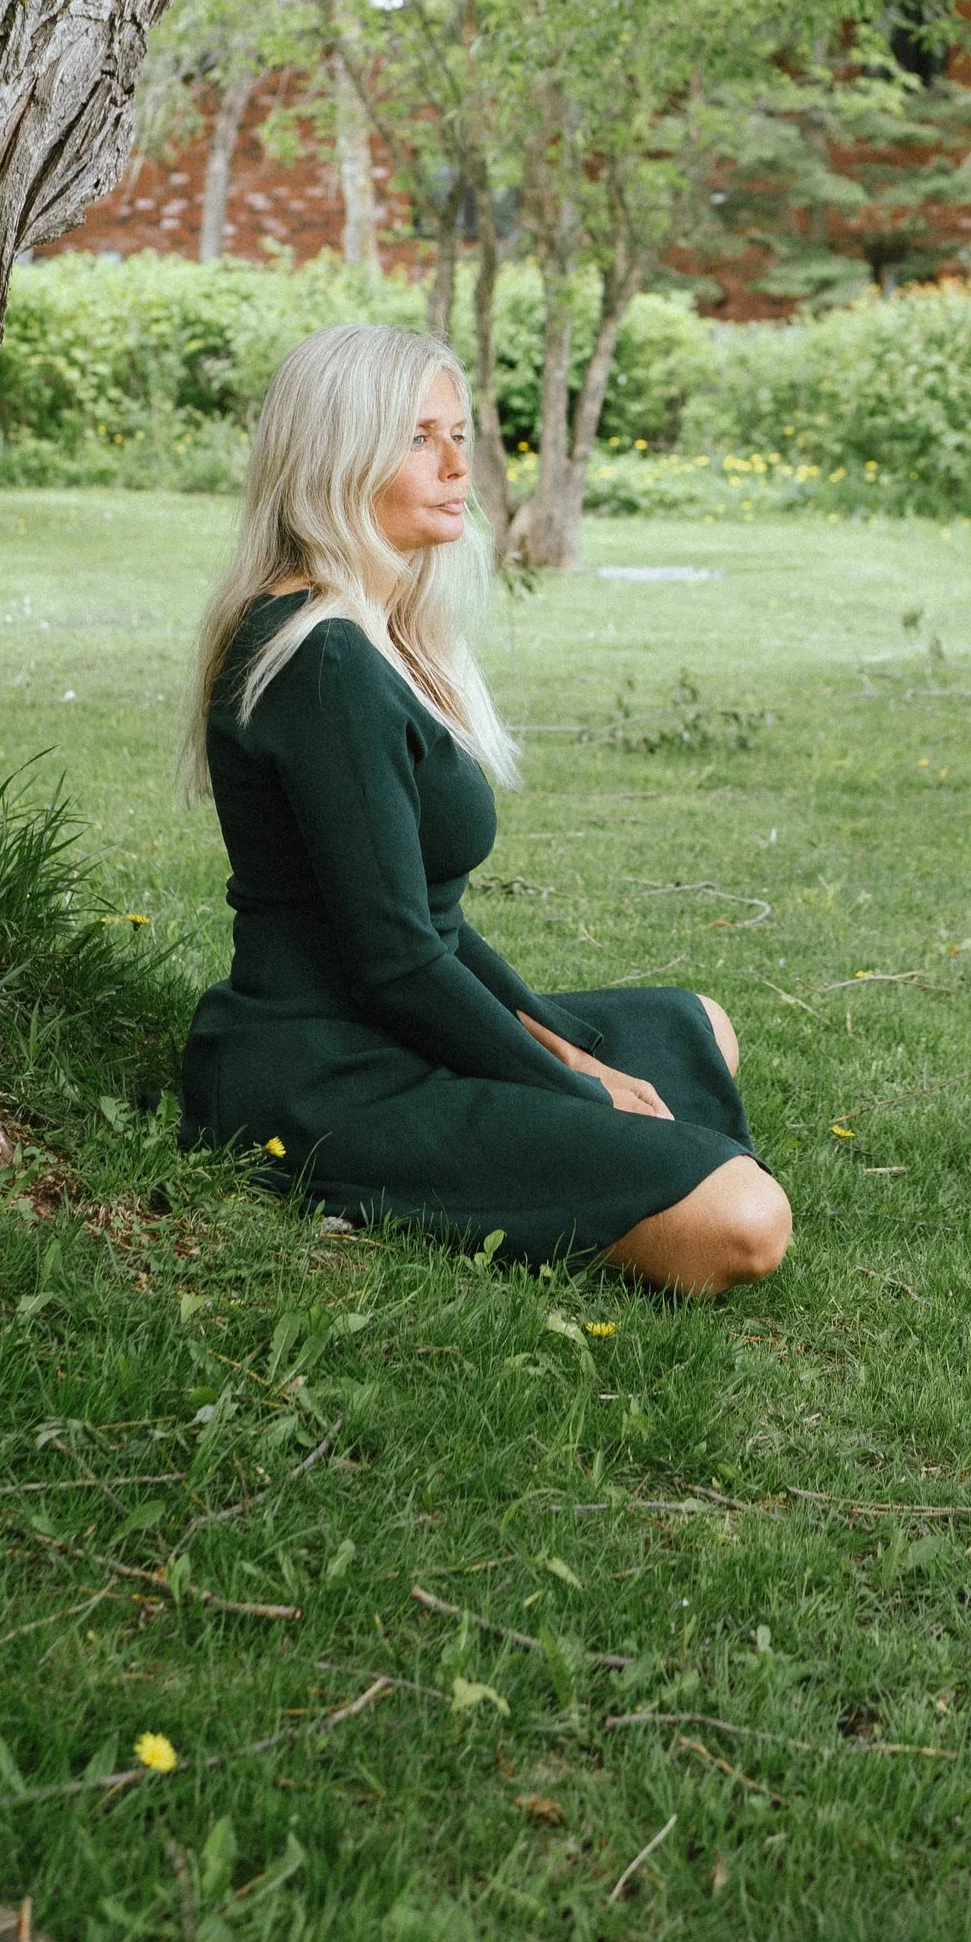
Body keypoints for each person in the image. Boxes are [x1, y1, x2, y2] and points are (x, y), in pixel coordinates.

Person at [179, 324, 792, 1295]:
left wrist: (551, 1038)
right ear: (337, 453)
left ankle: (557, 1140)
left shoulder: (375, 635)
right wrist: (573, 1083)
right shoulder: (325, 663)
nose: (461, 465)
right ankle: (355, 1182)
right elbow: (394, 962)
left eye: (459, 433)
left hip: (395, 1023)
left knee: (693, 1025)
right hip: (327, 1072)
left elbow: (429, 927)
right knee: (747, 1225)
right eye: (419, 438)